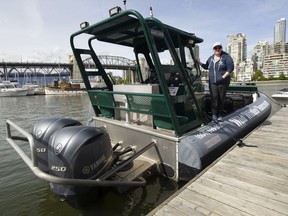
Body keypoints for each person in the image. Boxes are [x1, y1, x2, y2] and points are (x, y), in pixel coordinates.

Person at [199, 42, 234, 122]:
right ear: (213, 49)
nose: (217, 49)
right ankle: (214, 114)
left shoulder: (226, 57)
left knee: (221, 98)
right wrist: (199, 62)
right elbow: (206, 66)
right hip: (212, 82)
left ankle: (219, 114)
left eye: (219, 48)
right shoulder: (210, 58)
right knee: (214, 98)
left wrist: (223, 77)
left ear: (221, 48)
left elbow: (230, 68)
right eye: (215, 48)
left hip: (223, 82)